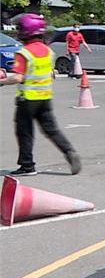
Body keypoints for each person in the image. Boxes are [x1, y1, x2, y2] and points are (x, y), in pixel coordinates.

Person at [0, 14, 82, 176]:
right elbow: (51, 73)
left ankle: (27, 165)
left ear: (26, 31)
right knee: (52, 130)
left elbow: (18, 77)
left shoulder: (24, 53)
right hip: (45, 97)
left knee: (24, 132)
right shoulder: (48, 52)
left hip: (27, 99)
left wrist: (2, 81)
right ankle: (69, 152)